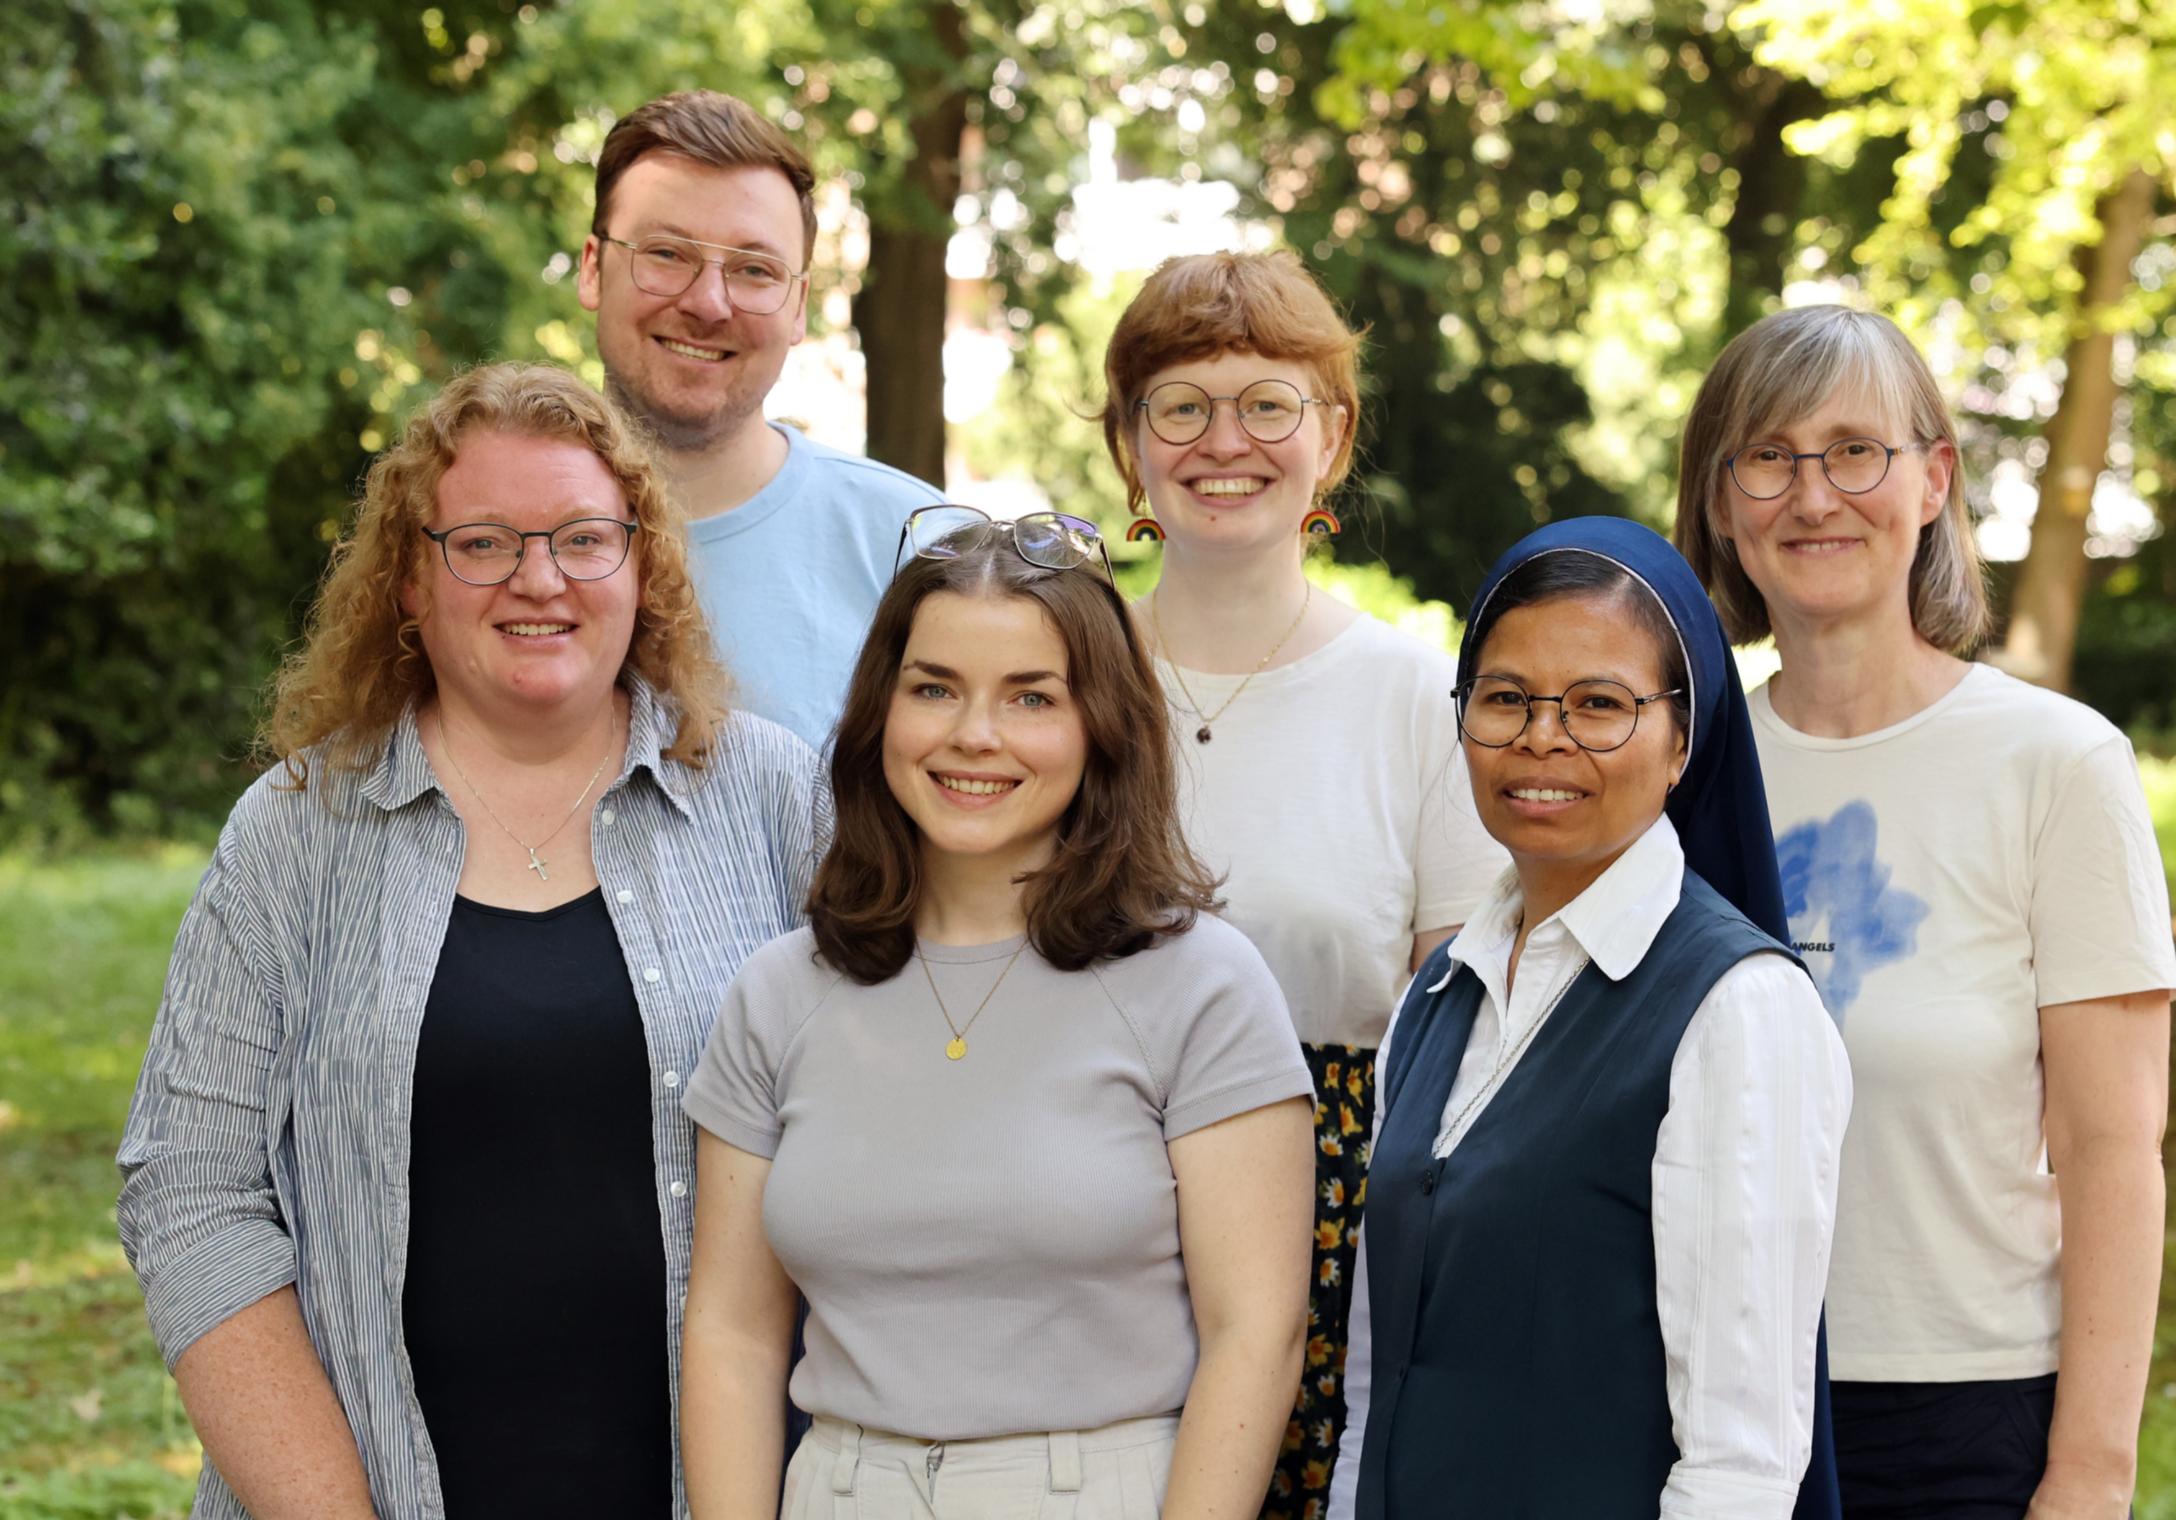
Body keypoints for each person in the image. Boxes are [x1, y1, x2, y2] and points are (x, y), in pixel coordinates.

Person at [116, 364, 825, 1520]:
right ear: (408, 578)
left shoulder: (770, 796)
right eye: (483, 542)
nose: (537, 577)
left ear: (641, 564)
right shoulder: (298, 831)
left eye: (583, 537)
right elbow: (189, 1187)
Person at [678, 507, 1316, 1519]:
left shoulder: (1203, 984)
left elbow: (1258, 1332)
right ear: (882, 709)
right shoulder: (779, 992)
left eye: (1031, 696)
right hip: (841, 1488)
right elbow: (732, 1329)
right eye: (935, 688)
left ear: (1100, 724)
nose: (974, 734)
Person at [1674, 306, 2176, 1519]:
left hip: (1966, 1414)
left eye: (1856, 450)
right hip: (1713, 1407)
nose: (1814, 495)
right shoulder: (1680, 769)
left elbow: (2116, 1152)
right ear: (1723, 501)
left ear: (1933, 478)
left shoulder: (2057, 764)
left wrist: (2090, 1476)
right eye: (1769, 455)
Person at [1329, 517, 1852, 1518]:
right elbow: (1372, 1382)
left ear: (1681, 740)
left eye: (1599, 705)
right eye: (1505, 697)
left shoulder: (1736, 1009)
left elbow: (1739, 1460)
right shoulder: (1437, 993)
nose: (1541, 737)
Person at [1098, 250, 1506, 1513]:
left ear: (1330, 438)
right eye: (1183, 404)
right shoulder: (1057, 672)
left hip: (1328, 1246)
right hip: (1074, 1209)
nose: (1228, 440)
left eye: (1269, 403)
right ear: (1131, 443)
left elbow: (1463, 1030)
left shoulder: (1415, 698)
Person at [579, 89, 942, 748]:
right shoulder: (481, 540)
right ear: (592, 269)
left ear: (799, 304)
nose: (709, 303)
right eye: (666, 253)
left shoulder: (918, 550)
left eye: (753, 270)